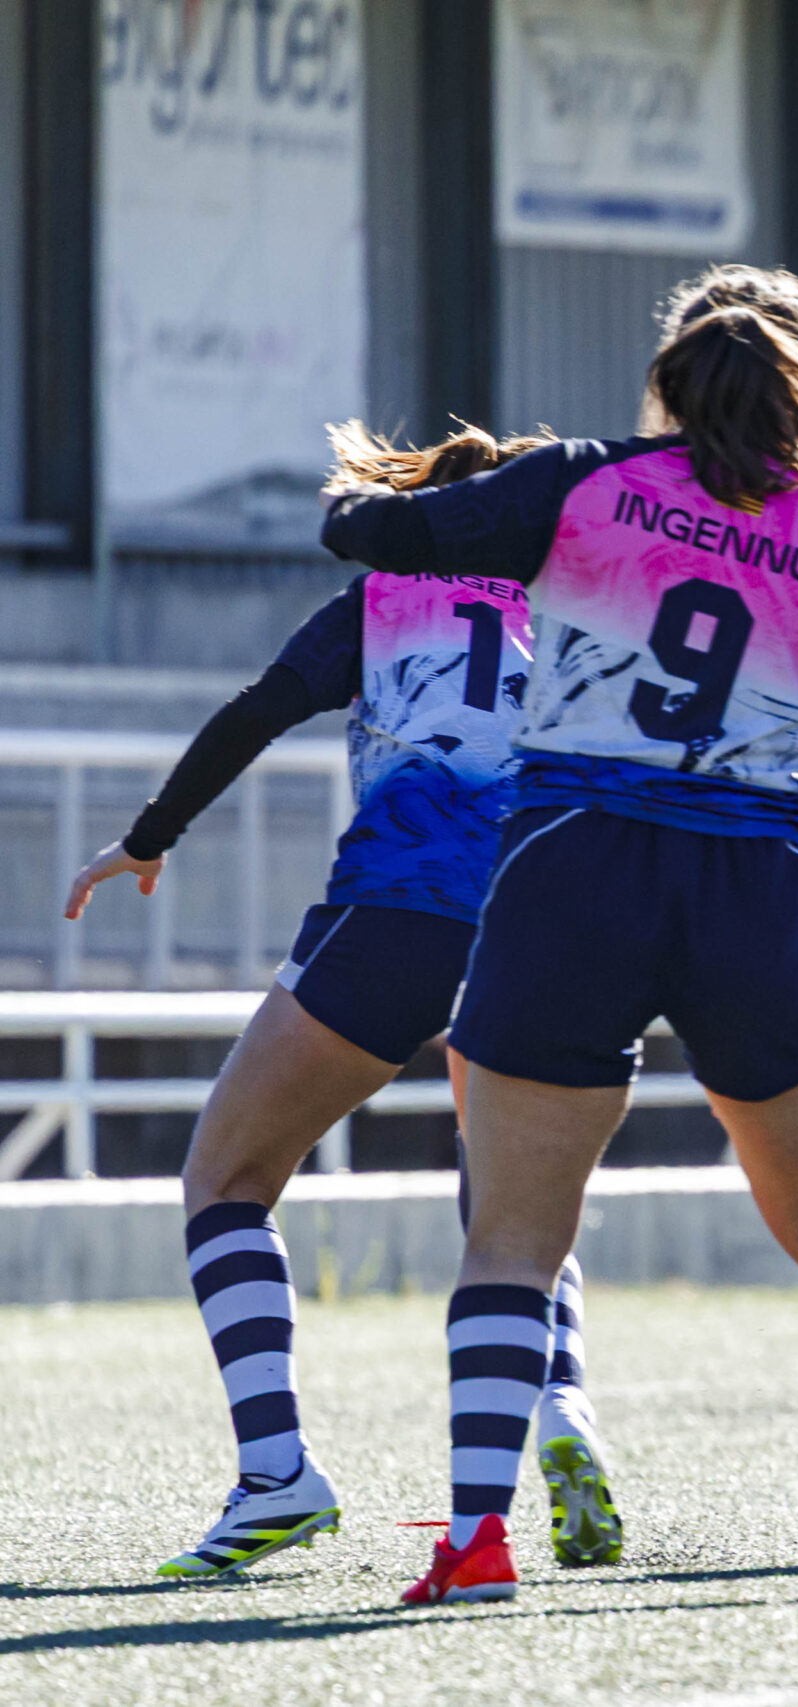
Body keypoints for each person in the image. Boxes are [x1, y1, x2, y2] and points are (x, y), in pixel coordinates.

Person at [318, 265, 798, 1605]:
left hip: (573, 870)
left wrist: (350, 501)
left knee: (512, 1235)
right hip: (753, 877)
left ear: (669, 387)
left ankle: (476, 1540)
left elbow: (376, 546)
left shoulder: (583, 482)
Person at [62, 423, 623, 1578]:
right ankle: (563, 1409)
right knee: (514, 1198)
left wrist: (148, 838)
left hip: (401, 913)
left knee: (225, 1176)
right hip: (549, 919)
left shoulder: (387, 595)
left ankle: (277, 1474)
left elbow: (255, 711)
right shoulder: (580, 612)